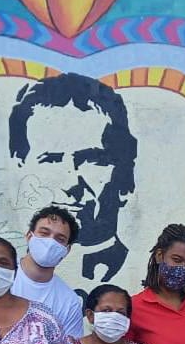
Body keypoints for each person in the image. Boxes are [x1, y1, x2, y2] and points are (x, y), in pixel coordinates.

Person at [9, 72, 138, 281]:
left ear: (124, 175)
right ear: (22, 168)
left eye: (92, 160)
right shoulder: (1, 279)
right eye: (51, 161)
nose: (71, 183)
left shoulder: (138, 275)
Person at [11, 205, 84, 337]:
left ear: (67, 250)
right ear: (29, 236)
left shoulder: (69, 302)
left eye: (60, 239)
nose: (50, 242)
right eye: (44, 233)